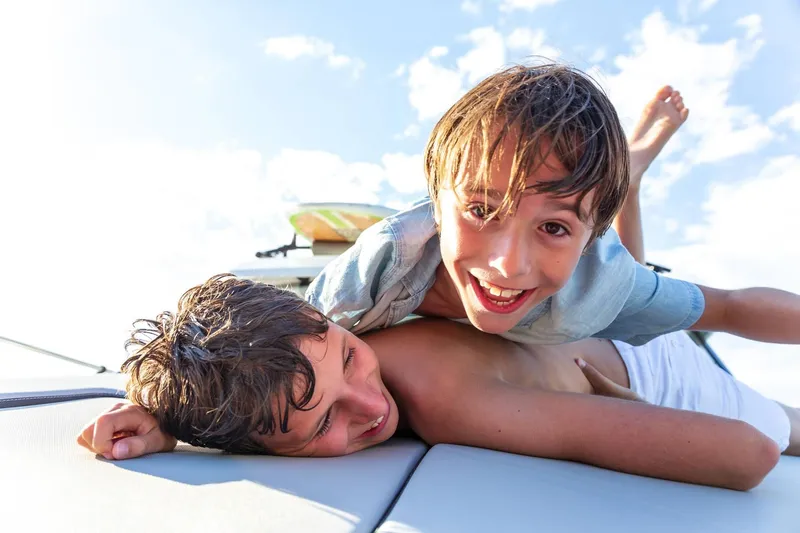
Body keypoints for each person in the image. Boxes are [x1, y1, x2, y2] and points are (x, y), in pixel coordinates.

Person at [77, 274, 796, 492]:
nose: (371, 405)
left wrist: (631, 422)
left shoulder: (449, 401)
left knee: (787, 427)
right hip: (599, 337)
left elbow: (749, 452)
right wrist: (173, 421)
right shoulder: (306, 344)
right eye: (324, 423)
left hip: (652, 368)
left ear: (329, 319)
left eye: (351, 358)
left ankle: (630, 167)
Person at [306, 63, 800, 348]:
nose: (507, 264)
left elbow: (732, 308)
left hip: (587, 295)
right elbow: (288, 343)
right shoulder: (376, 270)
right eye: (481, 211)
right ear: (437, 202)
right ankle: (622, 179)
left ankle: (626, 179)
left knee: (691, 297)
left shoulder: (598, 282)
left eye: (555, 228)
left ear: (589, 239)